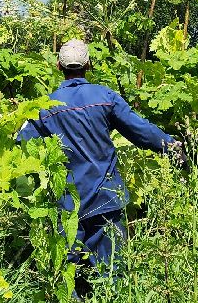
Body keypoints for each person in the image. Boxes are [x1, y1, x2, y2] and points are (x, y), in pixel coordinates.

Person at [16, 39, 182, 289]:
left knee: (66, 274)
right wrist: (173, 148)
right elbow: (141, 131)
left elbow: (20, 143)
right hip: (106, 198)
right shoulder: (105, 98)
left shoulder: (46, 107)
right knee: (112, 270)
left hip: (67, 203)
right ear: (89, 65)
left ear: (58, 65)